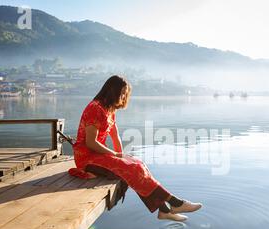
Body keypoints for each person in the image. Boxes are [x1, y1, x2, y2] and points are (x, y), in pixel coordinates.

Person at [68, 75, 202, 221]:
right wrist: (114, 154)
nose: (124, 96)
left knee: (137, 164)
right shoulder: (95, 108)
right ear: (112, 91)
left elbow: (115, 135)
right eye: (122, 92)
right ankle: (175, 203)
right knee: (132, 170)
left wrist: (122, 155)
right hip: (87, 159)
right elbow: (91, 143)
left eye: (126, 93)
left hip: (99, 155)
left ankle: (165, 211)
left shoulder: (109, 109)